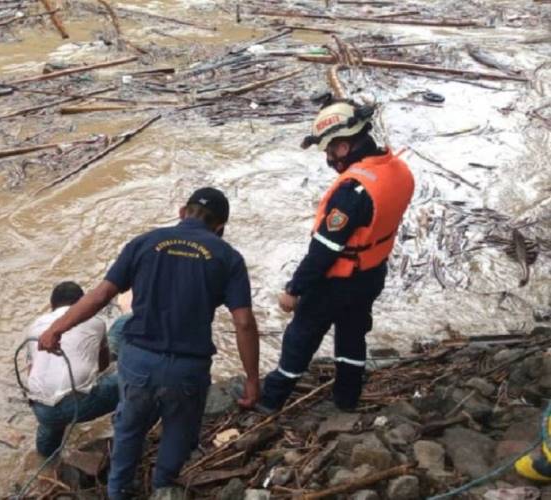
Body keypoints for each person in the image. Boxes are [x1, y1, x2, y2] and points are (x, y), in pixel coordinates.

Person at [37, 187, 261, 499]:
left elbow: (101, 295)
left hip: (138, 362)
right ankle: (162, 487)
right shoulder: (228, 258)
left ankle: (118, 491)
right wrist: (252, 378)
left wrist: (57, 328)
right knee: (179, 431)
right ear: (220, 227)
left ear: (182, 212)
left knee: (129, 428)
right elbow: (244, 322)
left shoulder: (144, 242)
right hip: (187, 368)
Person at [259, 97, 415, 413]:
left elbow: (324, 250)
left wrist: (294, 289)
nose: (329, 159)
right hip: (372, 273)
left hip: (337, 280)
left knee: (301, 337)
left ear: (344, 147)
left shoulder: (352, 192)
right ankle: (347, 397)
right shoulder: (398, 169)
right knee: (353, 335)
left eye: (329, 151)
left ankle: (271, 399)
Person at [25, 281, 119, 457]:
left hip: (41, 409)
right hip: (78, 405)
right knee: (132, 380)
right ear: (82, 304)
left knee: (51, 414)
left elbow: (31, 370)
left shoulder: (35, 325)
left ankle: (46, 457)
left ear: (52, 305)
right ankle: (125, 429)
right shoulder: (96, 321)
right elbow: (103, 365)